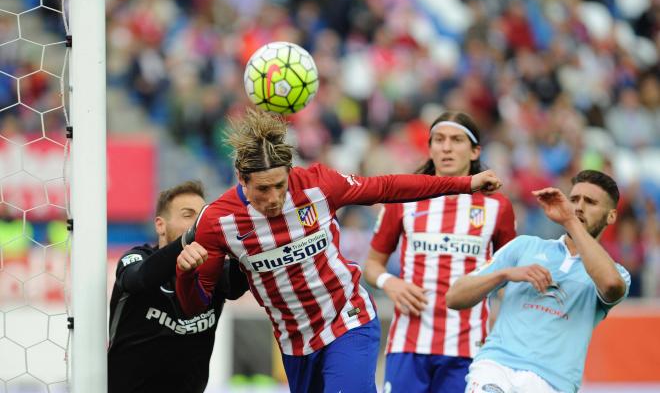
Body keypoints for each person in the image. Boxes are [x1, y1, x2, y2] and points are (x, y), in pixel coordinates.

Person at [175, 108, 504, 393]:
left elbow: (386, 187)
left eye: (280, 185)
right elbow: (195, 305)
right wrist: (185, 274)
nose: (274, 198)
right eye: (263, 189)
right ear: (241, 180)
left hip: (348, 318)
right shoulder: (218, 222)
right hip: (295, 341)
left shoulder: (318, 185)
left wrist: (464, 183)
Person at [364, 112, 516, 392]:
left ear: (474, 151)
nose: (446, 147)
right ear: (430, 147)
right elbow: (372, 265)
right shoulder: (403, 199)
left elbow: (509, 281)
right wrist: (391, 283)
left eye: (457, 140)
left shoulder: (498, 206)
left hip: (469, 348)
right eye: (439, 140)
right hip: (408, 344)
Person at [446, 170, 631, 393]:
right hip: (496, 367)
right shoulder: (525, 246)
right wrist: (505, 274)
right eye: (574, 200)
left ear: (611, 216)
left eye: (590, 202)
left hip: (552, 383)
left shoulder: (616, 273)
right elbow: (454, 297)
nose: (579, 207)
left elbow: (611, 286)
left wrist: (571, 220)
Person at [108, 181, 249, 393]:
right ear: (160, 225)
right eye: (188, 215)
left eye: (202, 216)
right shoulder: (137, 258)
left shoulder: (213, 268)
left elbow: (236, 286)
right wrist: (190, 238)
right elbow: (140, 278)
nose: (199, 223)